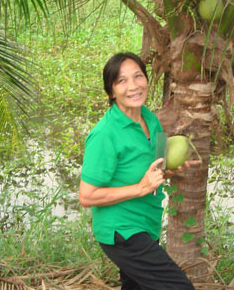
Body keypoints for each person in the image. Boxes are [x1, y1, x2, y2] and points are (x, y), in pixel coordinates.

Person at [79, 52, 199, 290]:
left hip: (147, 224)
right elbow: (87, 196)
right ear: (111, 92)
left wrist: (171, 171)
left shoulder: (150, 119)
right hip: (123, 232)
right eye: (121, 81)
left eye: (138, 76)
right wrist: (141, 188)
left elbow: (155, 171)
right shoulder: (104, 134)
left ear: (146, 80)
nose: (133, 86)